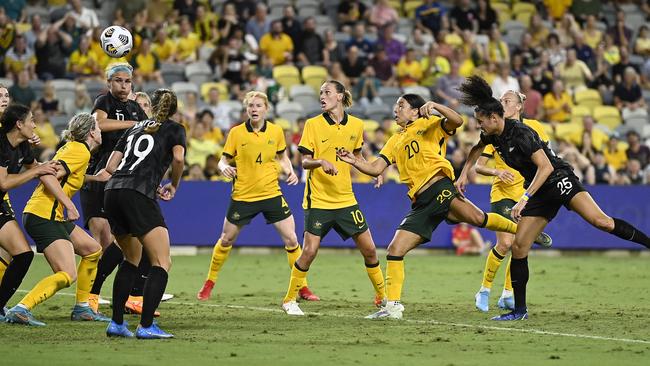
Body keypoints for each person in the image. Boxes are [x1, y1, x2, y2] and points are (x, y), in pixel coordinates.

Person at [335, 93, 551, 320]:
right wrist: (355, 161)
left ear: (415, 111)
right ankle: (393, 307)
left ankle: (392, 308)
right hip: (421, 202)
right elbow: (376, 168)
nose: (396, 109)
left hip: (440, 189)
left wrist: (436, 106)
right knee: (398, 250)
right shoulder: (394, 140)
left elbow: (457, 121)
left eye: (401, 105)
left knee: (475, 220)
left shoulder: (428, 124)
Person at [455, 76, 650, 321]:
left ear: (494, 118)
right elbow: (475, 149)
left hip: (558, 179)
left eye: (481, 122)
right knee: (518, 247)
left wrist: (524, 198)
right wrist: (463, 174)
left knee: (602, 222)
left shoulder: (522, 134)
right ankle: (519, 311)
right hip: (539, 191)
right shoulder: (494, 135)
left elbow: (545, 167)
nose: (479, 126)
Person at [196, 91, 319, 301]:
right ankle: (209, 282)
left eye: (258, 105)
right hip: (243, 195)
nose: (254, 109)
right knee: (226, 240)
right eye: (250, 106)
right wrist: (223, 167)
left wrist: (290, 170)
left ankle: (302, 287)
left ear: (266, 109)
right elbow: (223, 160)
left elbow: (282, 157)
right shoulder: (236, 133)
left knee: (291, 239)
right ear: (246, 109)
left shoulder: (276, 131)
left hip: (271, 193)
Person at [281, 80, 387, 316]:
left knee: (370, 249)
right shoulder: (313, 124)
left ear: (340, 96)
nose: (322, 96)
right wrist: (320, 161)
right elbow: (303, 161)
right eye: (320, 93)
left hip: (346, 199)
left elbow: (356, 156)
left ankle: (383, 297)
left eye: (327, 92)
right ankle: (289, 300)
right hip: (318, 199)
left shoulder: (357, 125)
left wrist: (372, 172)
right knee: (309, 252)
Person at [4, 113, 109, 326]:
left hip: (50, 215)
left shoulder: (75, 149)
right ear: (91, 133)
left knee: (92, 249)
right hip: (44, 215)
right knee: (67, 274)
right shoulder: (79, 151)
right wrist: (69, 205)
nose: (101, 131)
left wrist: (95, 178)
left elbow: (64, 174)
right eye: (98, 128)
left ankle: (82, 308)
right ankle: (21, 308)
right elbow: (46, 174)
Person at [101, 88, 185, 339]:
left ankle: (116, 324)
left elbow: (110, 166)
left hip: (113, 191)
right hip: (138, 194)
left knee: (131, 258)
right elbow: (178, 159)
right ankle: (147, 326)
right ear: (174, 109)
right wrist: (173, 184)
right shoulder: (175, 128)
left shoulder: (133, 128)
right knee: (162, 261)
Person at [82, 63, 151, 316]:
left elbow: (149, 138)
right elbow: (99, 124)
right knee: (103, 243)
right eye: (119, 81)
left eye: (127, 82)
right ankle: (90, 297)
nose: (123, 86)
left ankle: (129, 296)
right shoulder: (104, 101)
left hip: (122, 182)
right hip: (98, 180)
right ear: (109, 82)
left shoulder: (134, 109)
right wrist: (133, 125)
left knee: (127, 245)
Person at [473, 90, 551, 313]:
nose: (502, 104)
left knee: (520, 245)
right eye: (501, 102)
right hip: (502, 193)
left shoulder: (534, 127)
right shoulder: (495, 129)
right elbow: (478, 166)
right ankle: (485, 289)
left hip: (526, 195)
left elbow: (546, 158)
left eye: (506, 101)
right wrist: (497, 173)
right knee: (506, 243)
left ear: (518, 106)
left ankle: (508, 293)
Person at [0, 104, 58, 321]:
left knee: (23, 255)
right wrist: (37, 170)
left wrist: (54, 169)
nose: (35, 124)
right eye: (31, 120)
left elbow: (38, 169)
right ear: (18, 124)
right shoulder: (1, 144)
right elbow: (3, 182)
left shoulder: (23, 146)